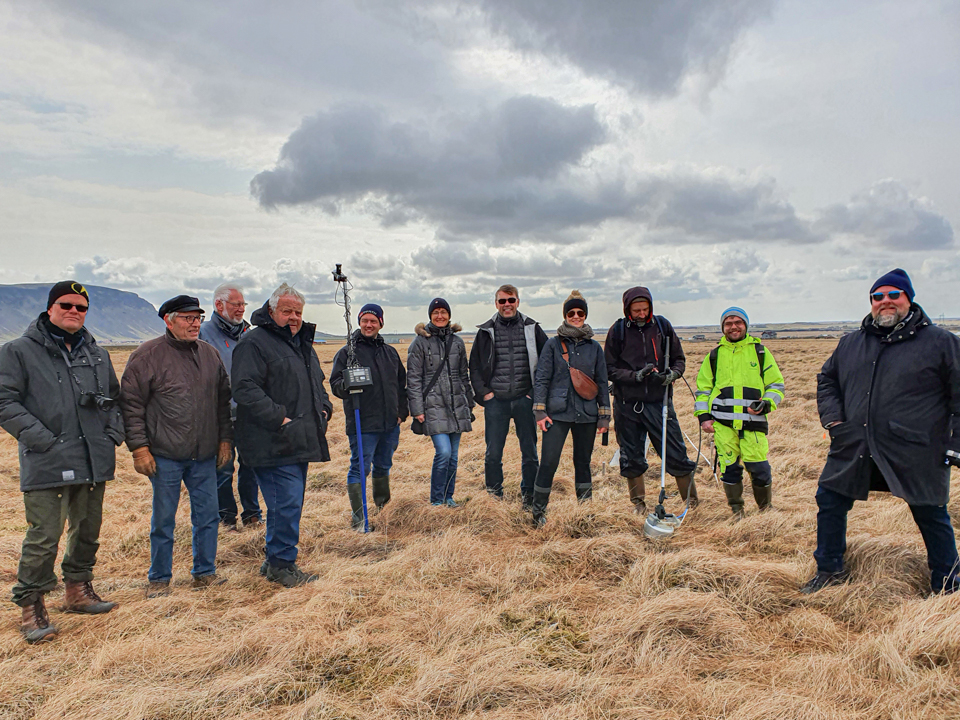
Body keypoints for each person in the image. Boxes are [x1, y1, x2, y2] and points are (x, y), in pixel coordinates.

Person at [803, 269, 960, 594]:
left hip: (916, 449)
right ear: (872, 302)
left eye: (893, 295)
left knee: (931, 512)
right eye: (878, 297)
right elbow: (827, 379)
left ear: (908, 299)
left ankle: (947, 583)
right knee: (830, 500)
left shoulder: (941, 343)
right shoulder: (851, 343)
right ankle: (829, 571)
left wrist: (956, 443)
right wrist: (834, 420)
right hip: (854, 444)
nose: (885, 302)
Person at [0, 282, 123, 643]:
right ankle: (31, 605)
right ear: (50, 308)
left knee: (87, 528)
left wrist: (111, 435)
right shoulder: (18, 352)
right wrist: (42, 440)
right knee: (44, 536)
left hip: (92, 458)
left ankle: (78, 590)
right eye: (66, 305)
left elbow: (114, 399)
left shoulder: (97, 354)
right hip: (47, 459)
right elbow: (4, 401)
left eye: (82, 308)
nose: (74, 311)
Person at [121, 295, 233, 598]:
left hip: (204, 455)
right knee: (163, 520)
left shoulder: (210, 355)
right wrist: (139, 449)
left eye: (197, 317)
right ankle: (159, 579)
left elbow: (223, 402)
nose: (195, 323)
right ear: (168, 320)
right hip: (165, 455)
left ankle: (205, 572)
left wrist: (225, 439)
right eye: (187, 318)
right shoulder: (147, 356)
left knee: (208, 517)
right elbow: (131, 407)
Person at [232, 283, 332, 587]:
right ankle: (282, 564)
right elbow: (244, 389)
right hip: (271, 441)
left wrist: (324, 408)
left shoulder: (299, 343)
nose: (293, 317)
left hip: (298, 439)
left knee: (288, 504)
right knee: (286, 502)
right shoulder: (254, 343)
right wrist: (280, 418)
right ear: (271, 310)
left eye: (298, 312)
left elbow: (316, 381)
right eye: (287, 311)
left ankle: (275, 559)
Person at [604, 286, 698, 514]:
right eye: (636, 310)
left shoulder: (662, 326)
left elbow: (679, 359)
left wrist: (672, 374)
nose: (641, 314)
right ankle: (638, 503)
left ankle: (691, 502)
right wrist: (634, 377)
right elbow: (608, 369)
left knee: (676, 452)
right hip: (627, 405)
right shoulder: (617, 331)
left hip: (660, 402)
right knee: (631, 456)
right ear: (627, 309)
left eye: (645, 309)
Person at [694, 307, 785, 517]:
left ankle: (765, 511)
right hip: (723, 425)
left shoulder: (760, 352)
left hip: (753, 425)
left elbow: (776, 385)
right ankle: (737, 512)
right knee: (729, 470)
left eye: (738, 322)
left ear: (745, 325)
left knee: (760, 469)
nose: (733, 327)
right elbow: (703, 389)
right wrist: (704, 417)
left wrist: (767, 404)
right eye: (728, 323)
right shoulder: (715, 355)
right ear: (723, 328)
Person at [530, 291, 610, 527]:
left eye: (580, 313)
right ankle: (538, 513)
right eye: (571, 313)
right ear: (565, 315)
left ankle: (585, 513)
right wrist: (540, 412)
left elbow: (602, 382)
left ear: (585, 316)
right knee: (548, 462)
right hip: (557, 413)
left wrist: (604, 416)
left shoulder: (595, 348)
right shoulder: (553, 345)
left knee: (583, 463)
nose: (576, 316)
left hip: (586, 414)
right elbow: (542, 378)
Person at [330, 303, 408, 529]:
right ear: (359, 322)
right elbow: (335, 384)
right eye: (365, 320)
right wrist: (348, 384)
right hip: (362, 423)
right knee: (360, 468)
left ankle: (383, 509)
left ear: (381, 323)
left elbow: (401, 385)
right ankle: (359, 518)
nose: (369, 324)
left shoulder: (390, 353)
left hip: (390, 424)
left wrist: (401, 413)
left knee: (383, 466)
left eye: (373, 321)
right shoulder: (348, 353)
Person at [469, 284, 548, 506]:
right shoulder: (486, 332)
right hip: (496, 403)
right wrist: (485, 394)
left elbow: (546, 363)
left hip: (525, 399)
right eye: (502, 301)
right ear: (496, 304)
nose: (507, 305)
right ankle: (494, 497)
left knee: (530, 452)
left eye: (511, 300)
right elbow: (474, 365)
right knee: (493, 453)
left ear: (518, 302)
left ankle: (529, 496)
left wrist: (534, 394)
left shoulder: (532, 328)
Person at [199, 283, 262, 531]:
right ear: (219, 305)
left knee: (251, 466)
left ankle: (252, 514)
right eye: (236, 304)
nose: (240, 309)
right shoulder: (203, 334)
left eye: (243, 304)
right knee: (222, 469)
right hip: (219, 416)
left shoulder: (250, 333)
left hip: (250, 415)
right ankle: (226, 519)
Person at [407, 298, 474, 507]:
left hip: (456, 405)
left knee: (453, 457)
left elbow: (464, 374)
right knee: (443, 452)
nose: (440, 316)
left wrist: (469, 402)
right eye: (435, 312)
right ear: (430, 316)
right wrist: (417, 409)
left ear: (449, 315)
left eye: (443, 312)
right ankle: (436, 500)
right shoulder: (419, 342)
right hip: (433, 405)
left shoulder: (457, 342)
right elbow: (413, 378)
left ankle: (448, 496)